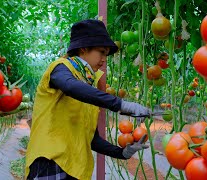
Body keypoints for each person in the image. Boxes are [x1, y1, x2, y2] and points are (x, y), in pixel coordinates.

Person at [25, 19, 150, 180]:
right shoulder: (60, 68)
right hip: (50, 162)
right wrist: (121, 104)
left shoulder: (89, 83)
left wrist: (122, 153)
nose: (104, 59)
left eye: (106, 54)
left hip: (75, 167)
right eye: (101, 52)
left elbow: (92, 138)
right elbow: (70, 87)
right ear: (84, 49)